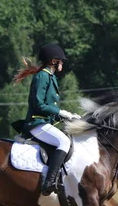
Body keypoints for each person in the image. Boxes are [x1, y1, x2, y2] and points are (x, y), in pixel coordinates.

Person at [13, 43, 81, 196]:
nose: (62, 63)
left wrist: (68, 116)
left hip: (45, 122)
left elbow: (49, 107)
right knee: (64, 142)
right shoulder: (42, 76)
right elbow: (39, 105)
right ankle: (48, 183)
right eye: (61, 61)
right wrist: (61, 112)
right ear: (53, 61)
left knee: (68, 139)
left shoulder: (50, 77)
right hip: (36, 123)